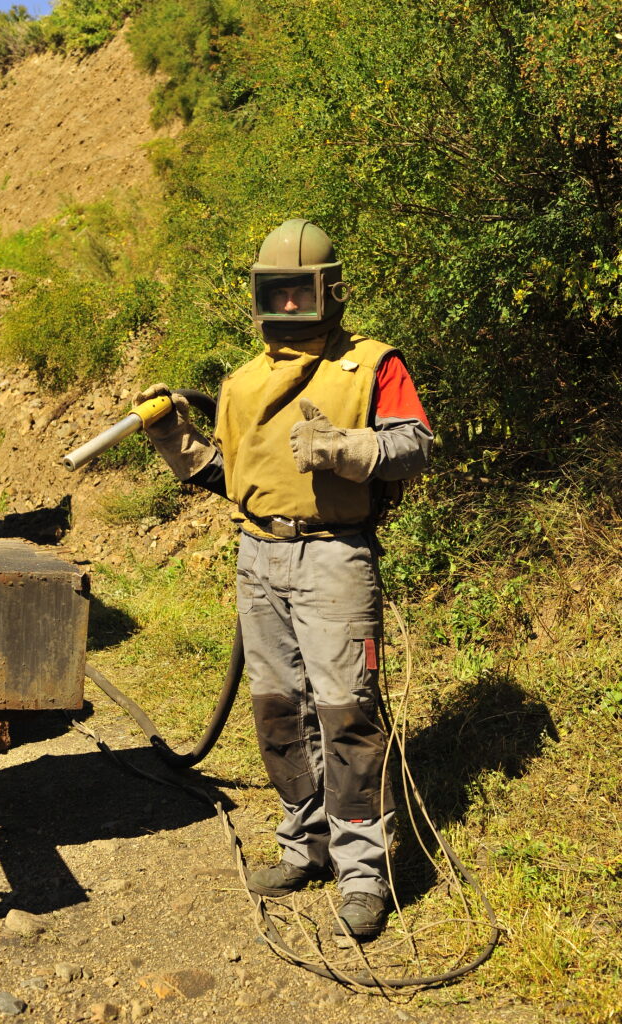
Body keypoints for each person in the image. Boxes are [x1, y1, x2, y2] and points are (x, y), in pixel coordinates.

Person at [135, 219, 432, 944]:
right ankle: (305, 846)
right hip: (258, 555)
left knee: (347, 714)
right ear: (260, 295)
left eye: (302, 290)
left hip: (335, 556)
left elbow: (416, 445)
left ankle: (363, 874)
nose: (290, 304)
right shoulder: (242, 381)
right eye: (278, 291)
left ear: (331, 290)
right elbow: (229, 478)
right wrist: (174, 440)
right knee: (278, 712)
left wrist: (344, 447)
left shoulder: (370, 365)